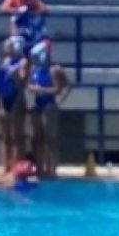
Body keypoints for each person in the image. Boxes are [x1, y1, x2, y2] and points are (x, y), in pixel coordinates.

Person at [28, 42, 71, 178]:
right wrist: (33, 88)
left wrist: (60, 99)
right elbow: (29, 85)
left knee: (49, 138)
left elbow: (63, 87)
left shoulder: (54, 70)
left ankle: (51, 168)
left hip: (49, 105)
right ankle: (39, 167)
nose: (34, 60)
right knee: (36, 137)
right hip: (38, 104)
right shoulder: (34, 69)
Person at [0, 38, 28, 172]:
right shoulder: (1, 64)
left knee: (17, 136)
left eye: (10, 46)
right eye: (6, 47)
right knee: (5, 136)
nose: (7, 49)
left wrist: (15, 76)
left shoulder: (22, 62)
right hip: (4, 100)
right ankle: (6, 166)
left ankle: (17, 166)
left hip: (16, 99)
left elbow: (22, 83)